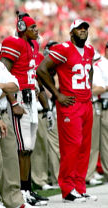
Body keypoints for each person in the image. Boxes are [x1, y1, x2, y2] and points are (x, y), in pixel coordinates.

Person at [37, 19, 98, 202]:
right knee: (71, 148)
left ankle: (80, 186)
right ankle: (67, 189)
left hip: (86, 103)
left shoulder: (89, 50)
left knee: (84, 147)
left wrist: (88, 87)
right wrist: (57, 94)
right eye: (79, 28)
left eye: (85, 28)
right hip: (70, 104)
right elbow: (41, 69)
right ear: (71, 32)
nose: (83, 31)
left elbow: (90, 70)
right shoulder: (63, 48)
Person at [0, 11, 48, 206]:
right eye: (32, 27)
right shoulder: (14, 42)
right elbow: (4, 76)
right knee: (21, 147)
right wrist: (14, 102)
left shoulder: (33, 45)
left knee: (29, 148)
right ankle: (20, 189)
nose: (36, 30)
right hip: (18, 98)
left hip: (30, 97)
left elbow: (31, 73)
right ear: (22, 29)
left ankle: (27, 189)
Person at [0, 60, 33, 208]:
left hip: (4, 113)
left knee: (10, 158)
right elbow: (8, 88)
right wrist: (4, 88)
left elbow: (15, 85)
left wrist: (1, 87)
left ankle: (14, 201)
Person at [31, 41, 60, 190]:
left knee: (55, 145)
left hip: (48, 109)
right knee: (40, 147)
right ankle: (40, 179)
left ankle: (56, 177)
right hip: (36, 108)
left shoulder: (48, 64)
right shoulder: (35, 62)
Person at [86, 46, 108, 184]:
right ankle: (89, 173)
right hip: (99, 104)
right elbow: (98, 88)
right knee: (94, 143)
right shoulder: (100, 63)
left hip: (103, 104)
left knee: (104, 143)